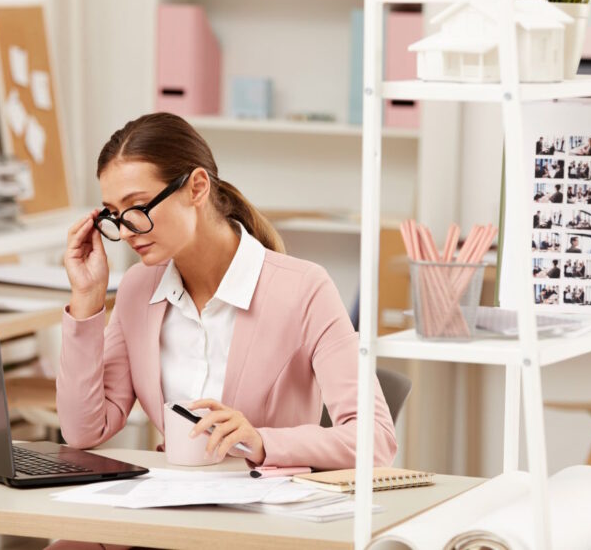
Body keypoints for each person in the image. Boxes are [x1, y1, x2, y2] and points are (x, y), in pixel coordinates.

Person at [58, 113, 397, 472]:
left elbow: (376, 440)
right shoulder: (138, 289)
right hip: (168, 507)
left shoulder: (304, 289)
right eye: (114, 214)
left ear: (197, 188)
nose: (126, 231)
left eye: (138, 207)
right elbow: (84, 430)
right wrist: (87, 297)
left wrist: (263, 441)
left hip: (265, 513)